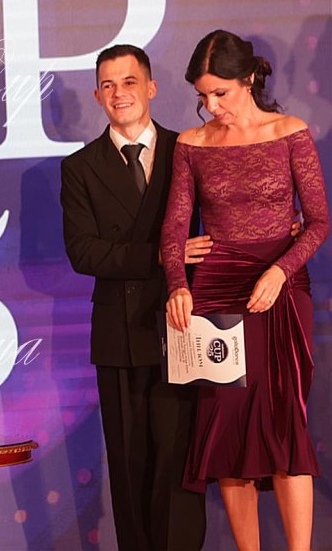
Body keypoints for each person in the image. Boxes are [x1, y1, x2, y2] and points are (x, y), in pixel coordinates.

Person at [162, 30, 328, 551]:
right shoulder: (192, 144)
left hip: (281, 289)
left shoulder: (290, 132)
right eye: (202, 96)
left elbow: (319, 222)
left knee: (284, 424)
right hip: (216, 294)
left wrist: (281, 270)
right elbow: (175, 227)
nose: (212, 106)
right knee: (228, 432)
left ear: (249, 79)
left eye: (221, 93)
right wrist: (177, 286)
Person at [60, 44, 208, 550]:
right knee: (129, 468)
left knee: (179, 464)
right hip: (119, 335)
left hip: (184, 325)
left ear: (151, 87)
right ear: (96, 95)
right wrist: (164, 254)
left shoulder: (188, 150)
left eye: (128, 82)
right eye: (107, 85)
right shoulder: (80, 167)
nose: (118, 93)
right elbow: (83, 252)